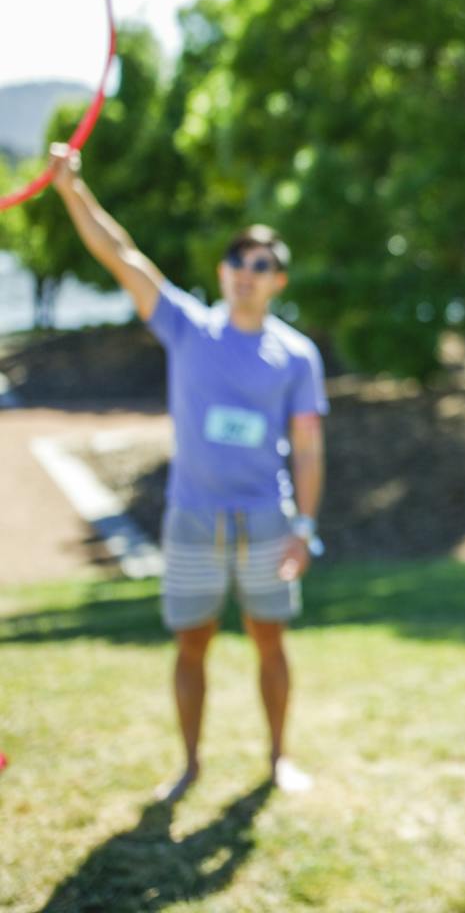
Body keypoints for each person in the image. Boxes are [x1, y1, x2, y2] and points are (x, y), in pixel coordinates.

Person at [47, 144, 327, 800]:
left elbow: (309, 448)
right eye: (237, 259)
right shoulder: (187, 328)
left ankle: (278, 760)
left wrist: (304, 526)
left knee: (270, 643)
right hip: (192, 517)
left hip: (265, 518)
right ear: (223, 270)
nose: (245, 271)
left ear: (278, 280)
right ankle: (192, 765)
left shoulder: (296, 355)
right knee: (191, 645)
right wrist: (71, 188)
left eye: (261, 264)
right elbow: (121, 254)